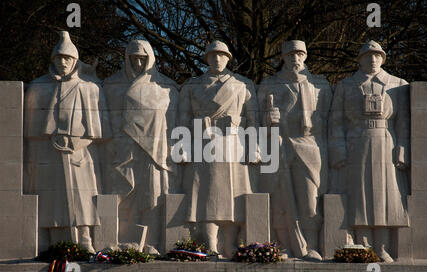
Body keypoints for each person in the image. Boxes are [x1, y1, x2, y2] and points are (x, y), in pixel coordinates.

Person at [24, 31, 111, 253]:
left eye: (68, 58)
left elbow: (100, 131)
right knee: (53, 200)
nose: (63, 62)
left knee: (83, 198)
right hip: (50, 154)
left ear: (75, 61)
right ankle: (55, 243)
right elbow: (31, 132)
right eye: (59, 58)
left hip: (81, 153)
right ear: (53, 60)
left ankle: (85, 239)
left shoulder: (89, 88)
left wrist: (78, 143)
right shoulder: (39, 86)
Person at [328, 40, 410, 262]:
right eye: (368, 56)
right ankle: (363, 245)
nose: (373, 59)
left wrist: (402, 149)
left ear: (383, 58)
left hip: (386, 142)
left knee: (385, 196)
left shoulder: (397, 84)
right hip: (357, 142)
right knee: (360, 195)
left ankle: (382, 247)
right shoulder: (346, 86)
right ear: (360, 59)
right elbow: (336, 121)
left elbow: (403, 121)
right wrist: (339, 150)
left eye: (377, 55)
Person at [178, 40, 259, 257]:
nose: (217, 59)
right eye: (213, 55)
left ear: (228, 58)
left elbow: (253, 120)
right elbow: (182, 119)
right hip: (204, 143)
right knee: (207, 195)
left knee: (234, 198)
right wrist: (182, 147)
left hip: (234, 144)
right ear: (206, 58)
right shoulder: (192, 85)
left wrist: (255, 148)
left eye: (221, 55)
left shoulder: (242, 85)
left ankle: (230, 244)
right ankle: (211, 245)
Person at [258, 40, 332, 260]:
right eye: (290, 55)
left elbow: (331, 119)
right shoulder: (269, 84)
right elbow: (256, 120)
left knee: (310, 198)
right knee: (279, 197)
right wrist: (267, 119)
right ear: (283, 57)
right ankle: (282, 245)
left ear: (305, 56)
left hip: (309, 143)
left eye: (299, 54)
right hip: (278, 143)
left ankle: (310, 245)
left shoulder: (320, 84)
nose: (295, 59)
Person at [103, 40, 180, 252]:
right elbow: (105, 119)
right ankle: (122, 240)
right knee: (125, 193)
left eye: (143, 58)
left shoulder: (166, 87)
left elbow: (174, 123)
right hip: (124, 150)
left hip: (155, 152)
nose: (138, 62)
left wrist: (173, 151)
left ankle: (152, 241)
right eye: (133, 57)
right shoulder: (111, 86)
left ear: (151, 59)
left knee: (152, 195)